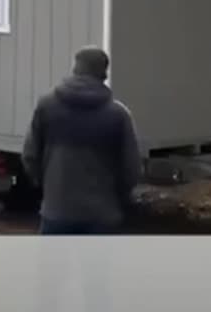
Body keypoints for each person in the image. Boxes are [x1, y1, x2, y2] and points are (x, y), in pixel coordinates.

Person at [21, 46, 141, 235]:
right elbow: (131, 169)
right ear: (104, 74)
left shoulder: (47, 106)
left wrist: (49, 187)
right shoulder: (118, 115)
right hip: (102, 215)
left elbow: (30, 156)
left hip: (56, 211)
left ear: (75, 69)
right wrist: (116, 197)